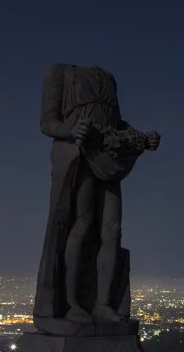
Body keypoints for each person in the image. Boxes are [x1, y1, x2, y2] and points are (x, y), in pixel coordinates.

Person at [33, 63, 160, 330]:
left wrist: (140, 137)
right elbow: (48, 122)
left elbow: (115, 123)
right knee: (82, 224)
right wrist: (71, 131)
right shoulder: (59, 72)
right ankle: (71, 303)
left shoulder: (109, 79)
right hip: (79, 155)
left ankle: (103, 304)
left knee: (113, 230)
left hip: (107, 158)